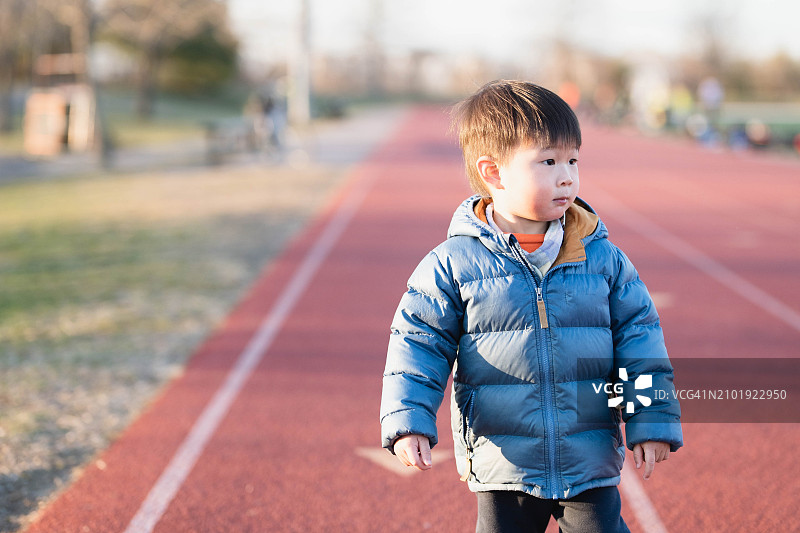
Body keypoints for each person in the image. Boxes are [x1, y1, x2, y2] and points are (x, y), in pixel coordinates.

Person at [379, 80, 683, 532]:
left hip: (588, 458)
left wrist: (651, 417)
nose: (567, 176)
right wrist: (409, 420)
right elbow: (417, 346)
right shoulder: (453, 264)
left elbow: (640, 343)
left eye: (573, 160)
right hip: (505, 464)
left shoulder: (602, 259)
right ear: (494, 173)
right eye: (548, 161)